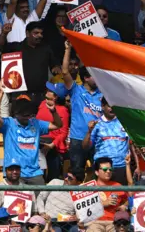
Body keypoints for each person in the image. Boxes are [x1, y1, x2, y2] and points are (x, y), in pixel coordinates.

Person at [0, 84, 62, 185]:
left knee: (39, 199)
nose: (27, 118)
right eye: (24, 116)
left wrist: (53, 111)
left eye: (29, 115)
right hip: (14, 173)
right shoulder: (8, 124)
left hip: (35, 173)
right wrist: (1, 93)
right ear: (16, 114)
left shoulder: (36, 123)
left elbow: (58, 125)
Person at [62, 40, 103, 174]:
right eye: (94, 76)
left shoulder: (103, 94)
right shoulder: (75, 90)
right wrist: (68, 49)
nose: (98, 79)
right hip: (77, 139)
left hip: (97, 138)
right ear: (85, 78)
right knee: (76, 173)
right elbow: (64, 72)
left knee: (99, 174)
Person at [4, 21, 58, 112]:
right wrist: (4, 34)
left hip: (41, 95)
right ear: (27, 33)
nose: (40, 35)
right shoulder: (16, 47)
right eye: (36, 33)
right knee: (21, 122)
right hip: (20, 95)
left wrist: (56, 68)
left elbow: (54, 66)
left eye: (41, 33)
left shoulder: (46, 49)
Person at [82, 98, 129, 184]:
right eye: (109, 106)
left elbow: (131, 144)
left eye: (114, 106)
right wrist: (89, 132)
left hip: (121, 167)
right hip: (103, 168)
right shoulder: (96, 124)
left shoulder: (124, 122)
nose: (112, 108)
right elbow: (85, 147)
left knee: (121, 196)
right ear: (102, 106)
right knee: (102, 196)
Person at [37, 82, 70, 181]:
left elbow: (63, 133)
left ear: (55, 97)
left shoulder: (63, 110)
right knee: (39, 175)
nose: (47, 91)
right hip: (38, 142)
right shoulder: (42, 103)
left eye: (50, 90)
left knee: (53, 178)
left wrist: (51, 145)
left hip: (53, 146)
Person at [84, 158, 127, 232]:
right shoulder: (89, 187)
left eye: (110, 169)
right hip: (94, 222)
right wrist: (104, 203)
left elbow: (127, 200)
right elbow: (83, 208)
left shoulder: (118, 186)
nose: (108, 171)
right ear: (97, 172)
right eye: (104, 169)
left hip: (114, 222)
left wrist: (124, 206)